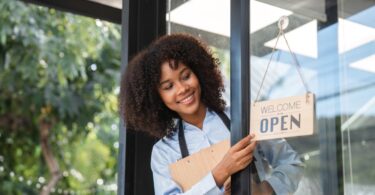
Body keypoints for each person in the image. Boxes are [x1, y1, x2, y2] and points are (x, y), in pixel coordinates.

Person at [120, 33, 304, 195]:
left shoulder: (244, 117)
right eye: (168, 86)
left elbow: (292, 162)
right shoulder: (164, 152)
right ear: (157, 97)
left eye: (185, 76)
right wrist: (220, 173)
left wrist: (266, 190)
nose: (182, 88)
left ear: (199, 73)